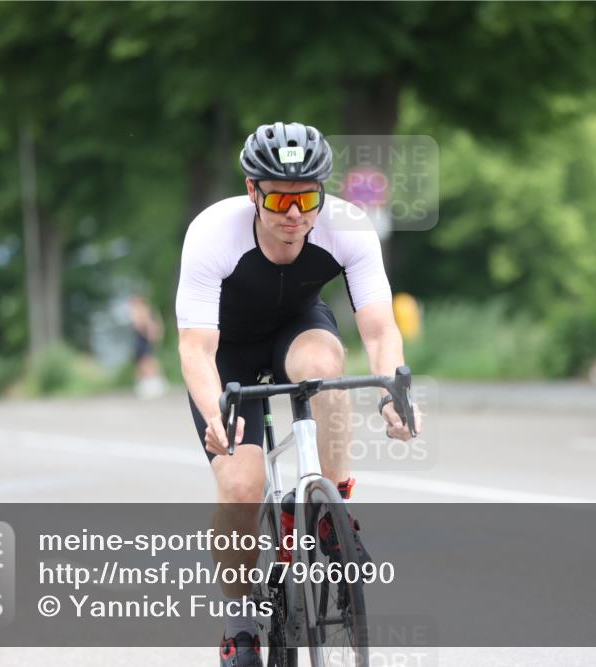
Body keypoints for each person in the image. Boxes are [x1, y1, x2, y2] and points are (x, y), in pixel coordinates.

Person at [175, 121, 422, 667]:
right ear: (252, 191)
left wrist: (392, 391)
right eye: (281, 198)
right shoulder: (213, 233)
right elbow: (195, 348)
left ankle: (330, 509)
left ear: (323, 194)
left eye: (307, 197)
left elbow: (380, 331)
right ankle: (240, 621)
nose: (294, 214)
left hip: (297, 328)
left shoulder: (348, 227)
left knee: (324, 363)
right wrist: (216, 411)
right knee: (242, 487)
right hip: (228, 353)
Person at [130, 295, 166, 398]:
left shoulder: (143, 312)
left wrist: (151, 336)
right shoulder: (139, 312)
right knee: (141, 363)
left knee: (147, 362)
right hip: (139, 341)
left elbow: (146, 328)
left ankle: (154, 384)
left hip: (143, 341)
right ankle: (144, 385)